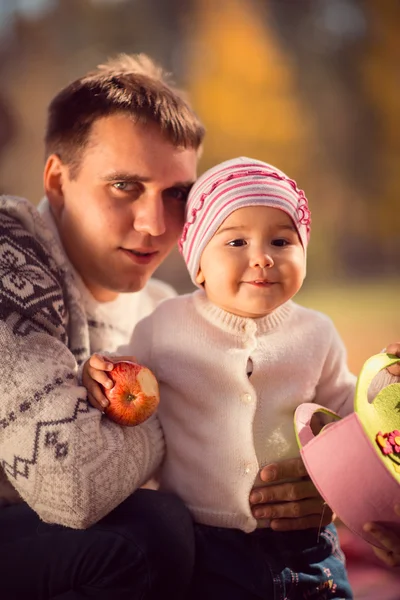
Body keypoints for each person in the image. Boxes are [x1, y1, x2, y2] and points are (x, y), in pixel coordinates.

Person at [0, 55, 333, 600]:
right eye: (125, 186)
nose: (156, 225)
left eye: (177, 194)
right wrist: (186, 399)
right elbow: (76, 489)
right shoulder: (7, 250)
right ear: (58, 180)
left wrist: (315, 480)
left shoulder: (162, 309)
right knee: (151, 532)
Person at [84, 157, 400, 600]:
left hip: (305, 546)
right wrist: (97, 374)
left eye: (281, 240)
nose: (262, 257)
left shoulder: (316, 333)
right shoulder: (166, 325)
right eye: (235, 241)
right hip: (207, 543)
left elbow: (348, 413)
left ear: (304, 256)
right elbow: (124, 376)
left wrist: (385, 391)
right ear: (198, 267)